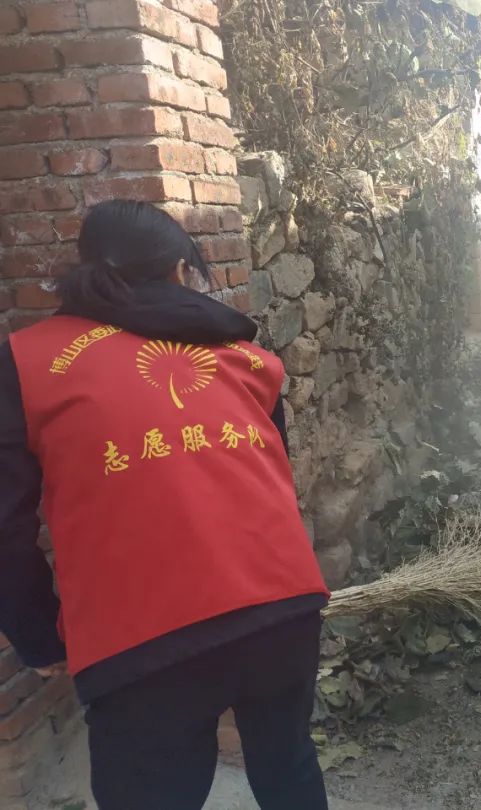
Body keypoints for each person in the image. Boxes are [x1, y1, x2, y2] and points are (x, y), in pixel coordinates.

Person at [0, 200, 332, 809]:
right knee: (289, 771)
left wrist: (40, 637)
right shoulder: (247, 358)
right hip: (283, 610)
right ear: (182, 272)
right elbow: (274, 483)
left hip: (142, 645)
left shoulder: (25, 364)